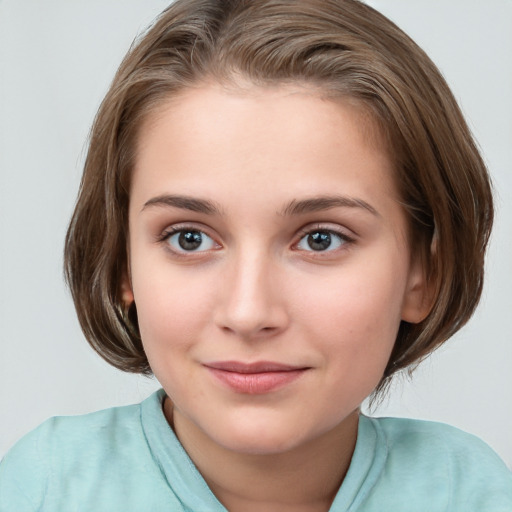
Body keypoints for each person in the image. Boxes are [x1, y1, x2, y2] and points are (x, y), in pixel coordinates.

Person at [0, 0, 511, 510]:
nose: (248, 313)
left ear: (423, 274)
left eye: (320, 239)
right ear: (120, 263)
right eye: (189, 238)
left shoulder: (467, 493)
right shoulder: (44, 489)